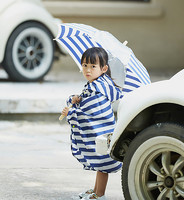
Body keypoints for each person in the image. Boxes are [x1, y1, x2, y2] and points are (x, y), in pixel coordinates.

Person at [61, 47, 122, 200]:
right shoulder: (98, 84)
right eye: (84, 65)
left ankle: (100, 195)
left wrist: (72, 112)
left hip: (101, 131)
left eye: (93, 66)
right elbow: (87, 102)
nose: (87, 70)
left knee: (102, 164)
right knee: (100, 163)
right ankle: (96, 190)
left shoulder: (98, 88)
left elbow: (92, 113)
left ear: (104, 68)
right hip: (101, 132)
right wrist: (76, 99)